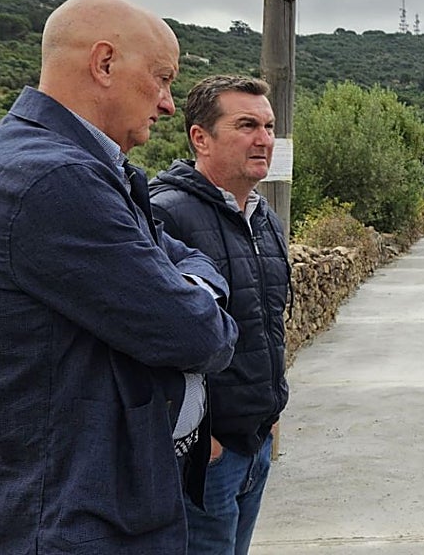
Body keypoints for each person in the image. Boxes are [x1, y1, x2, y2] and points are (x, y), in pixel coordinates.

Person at [0, 0, 239, 555]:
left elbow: (184, 260)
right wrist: (195, 297)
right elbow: (199, 334)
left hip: (76, 509)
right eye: (163, 78)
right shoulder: (54, 179)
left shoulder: (53, 162)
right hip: (78, 522)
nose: (170, 104)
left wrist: (187, 284)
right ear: (104, 64)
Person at [149, 75, 290, 555]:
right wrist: (196, 437)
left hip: (253, 446)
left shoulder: (263, 215)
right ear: (200, 138)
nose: (264, 139)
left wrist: (270, 415)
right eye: (247, 125)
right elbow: (149, 338)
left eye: (269, 126)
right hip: (204, 457)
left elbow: (267, 323)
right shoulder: (164, 215)